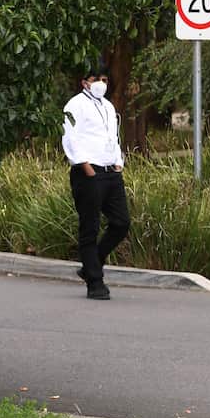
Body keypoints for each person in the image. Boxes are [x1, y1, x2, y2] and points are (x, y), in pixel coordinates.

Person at [61, 66, 129, 300]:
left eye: (104, 79)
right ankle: (95, 282)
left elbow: (113, 136)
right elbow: (70, 138)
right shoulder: (74, 105)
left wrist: (118, 162)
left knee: (121, 223)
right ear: (84, 83)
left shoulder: (108, 106)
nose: (101, 83)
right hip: (88, 173)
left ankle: (91, 264)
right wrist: (86, 166)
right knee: (89, 227)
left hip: (111, 172)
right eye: (95, 79)